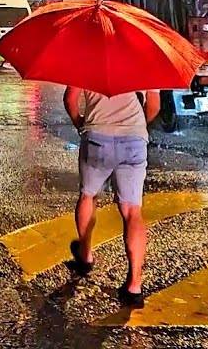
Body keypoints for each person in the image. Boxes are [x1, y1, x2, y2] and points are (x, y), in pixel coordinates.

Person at [62, 86, 160, 307]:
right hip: (134, 140)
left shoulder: (85, 56)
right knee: (132, 210)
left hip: (97, 138)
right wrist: (136, 126)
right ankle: (135, 284)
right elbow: (154, 105)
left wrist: (81, 125)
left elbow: (70, 100)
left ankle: (85, 255)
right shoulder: (146, 58)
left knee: (88, 195)